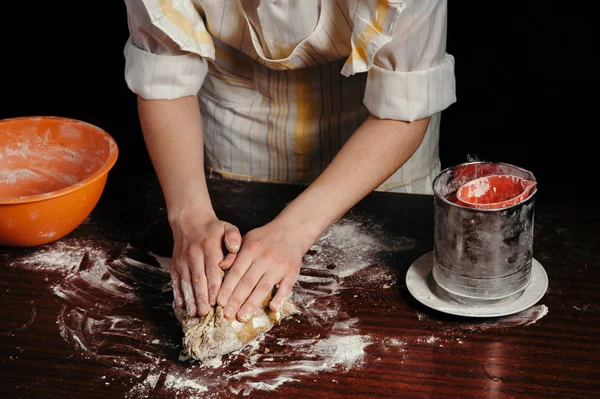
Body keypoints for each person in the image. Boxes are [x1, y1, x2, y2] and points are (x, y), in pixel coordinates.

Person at [123, 0, 456, 323]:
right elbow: (163, 76)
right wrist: (190, 216)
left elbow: (404, 107)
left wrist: (294, 231)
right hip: (240, 127)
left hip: (377, 147)